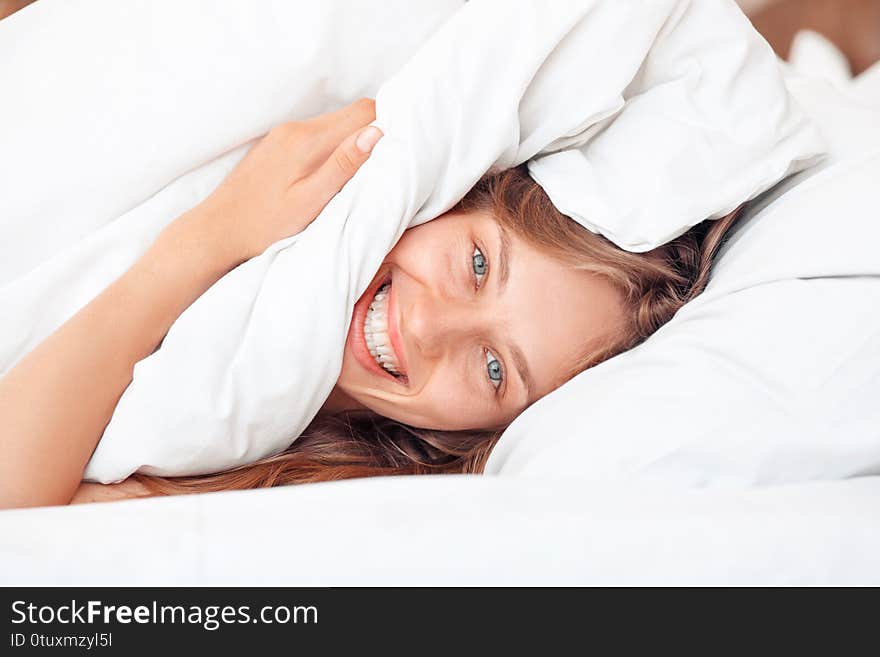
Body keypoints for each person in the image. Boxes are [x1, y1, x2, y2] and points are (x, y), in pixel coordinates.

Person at [0, 99, 740, 508]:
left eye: (493, 369)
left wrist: (203, 245)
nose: (424, 324)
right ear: (449, 198)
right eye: (477, 264)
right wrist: (216, 234)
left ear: (477, 432)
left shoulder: (315, 504)